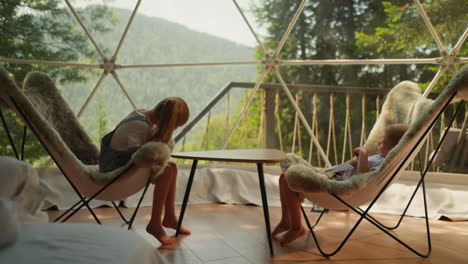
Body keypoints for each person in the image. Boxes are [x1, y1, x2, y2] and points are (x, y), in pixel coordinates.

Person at [272, 124, 409, 246]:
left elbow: (364, 176)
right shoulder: (379, 157)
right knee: (284, 176)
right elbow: (350, 165)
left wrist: (364, 155)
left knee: (288, 176)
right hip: (334, 177)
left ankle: (297, 227)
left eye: (383, 142)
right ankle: (286, 220)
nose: (379, 142)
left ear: (393, 149)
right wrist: (328, 171)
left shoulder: (382, 165)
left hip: (340, 188)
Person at [99, 97, 191, 245]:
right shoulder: (140, 125)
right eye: (176, 125)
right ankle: (154, 223)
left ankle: (169, 218)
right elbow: (138, 158)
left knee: (171, 166)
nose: (175, 129)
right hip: (114, 173)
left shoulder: (142, 116)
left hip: (120, 165)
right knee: (167, 170)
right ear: (169, 121)